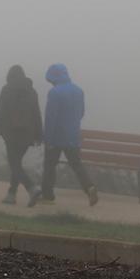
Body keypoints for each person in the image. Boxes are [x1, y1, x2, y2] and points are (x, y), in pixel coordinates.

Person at [29, 63, 98, 207]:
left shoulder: (55, 92)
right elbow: (81, 113)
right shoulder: (79, 91)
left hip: (55, 137)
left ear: (54, 77)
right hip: (73, 136)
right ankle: (89, 187)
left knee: (49, 165)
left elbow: (50, 117)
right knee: (77, 164)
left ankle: (48, 196)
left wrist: (47, 138)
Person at [0, 65, 42, 204]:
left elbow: (0, 111)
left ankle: (31, 187)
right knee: (17, 163)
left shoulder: (6, 90)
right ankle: (11, 194)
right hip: (27, 135)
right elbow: (36, 114)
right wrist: (39, 134)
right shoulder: (32, 91)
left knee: (14, 164)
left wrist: (0, 130)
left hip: (11, 134)